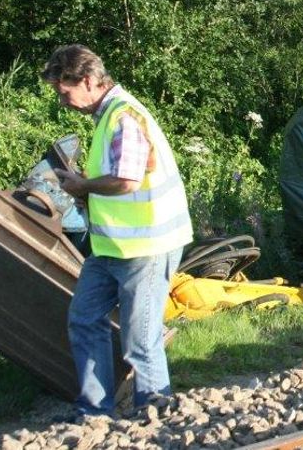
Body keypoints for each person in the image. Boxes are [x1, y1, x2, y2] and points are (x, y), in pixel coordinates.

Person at [42, 44, 192, 418]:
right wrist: (84, 188)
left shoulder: (124, 117)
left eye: (65, 92)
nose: (63, 102)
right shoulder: (110, 115)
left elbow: (126, 181)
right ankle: (94, 411)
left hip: (146, 245)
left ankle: (155, 410)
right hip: (113, 245)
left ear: (89, 81)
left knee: (140, 339)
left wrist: (81, 186)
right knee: (84, 318)